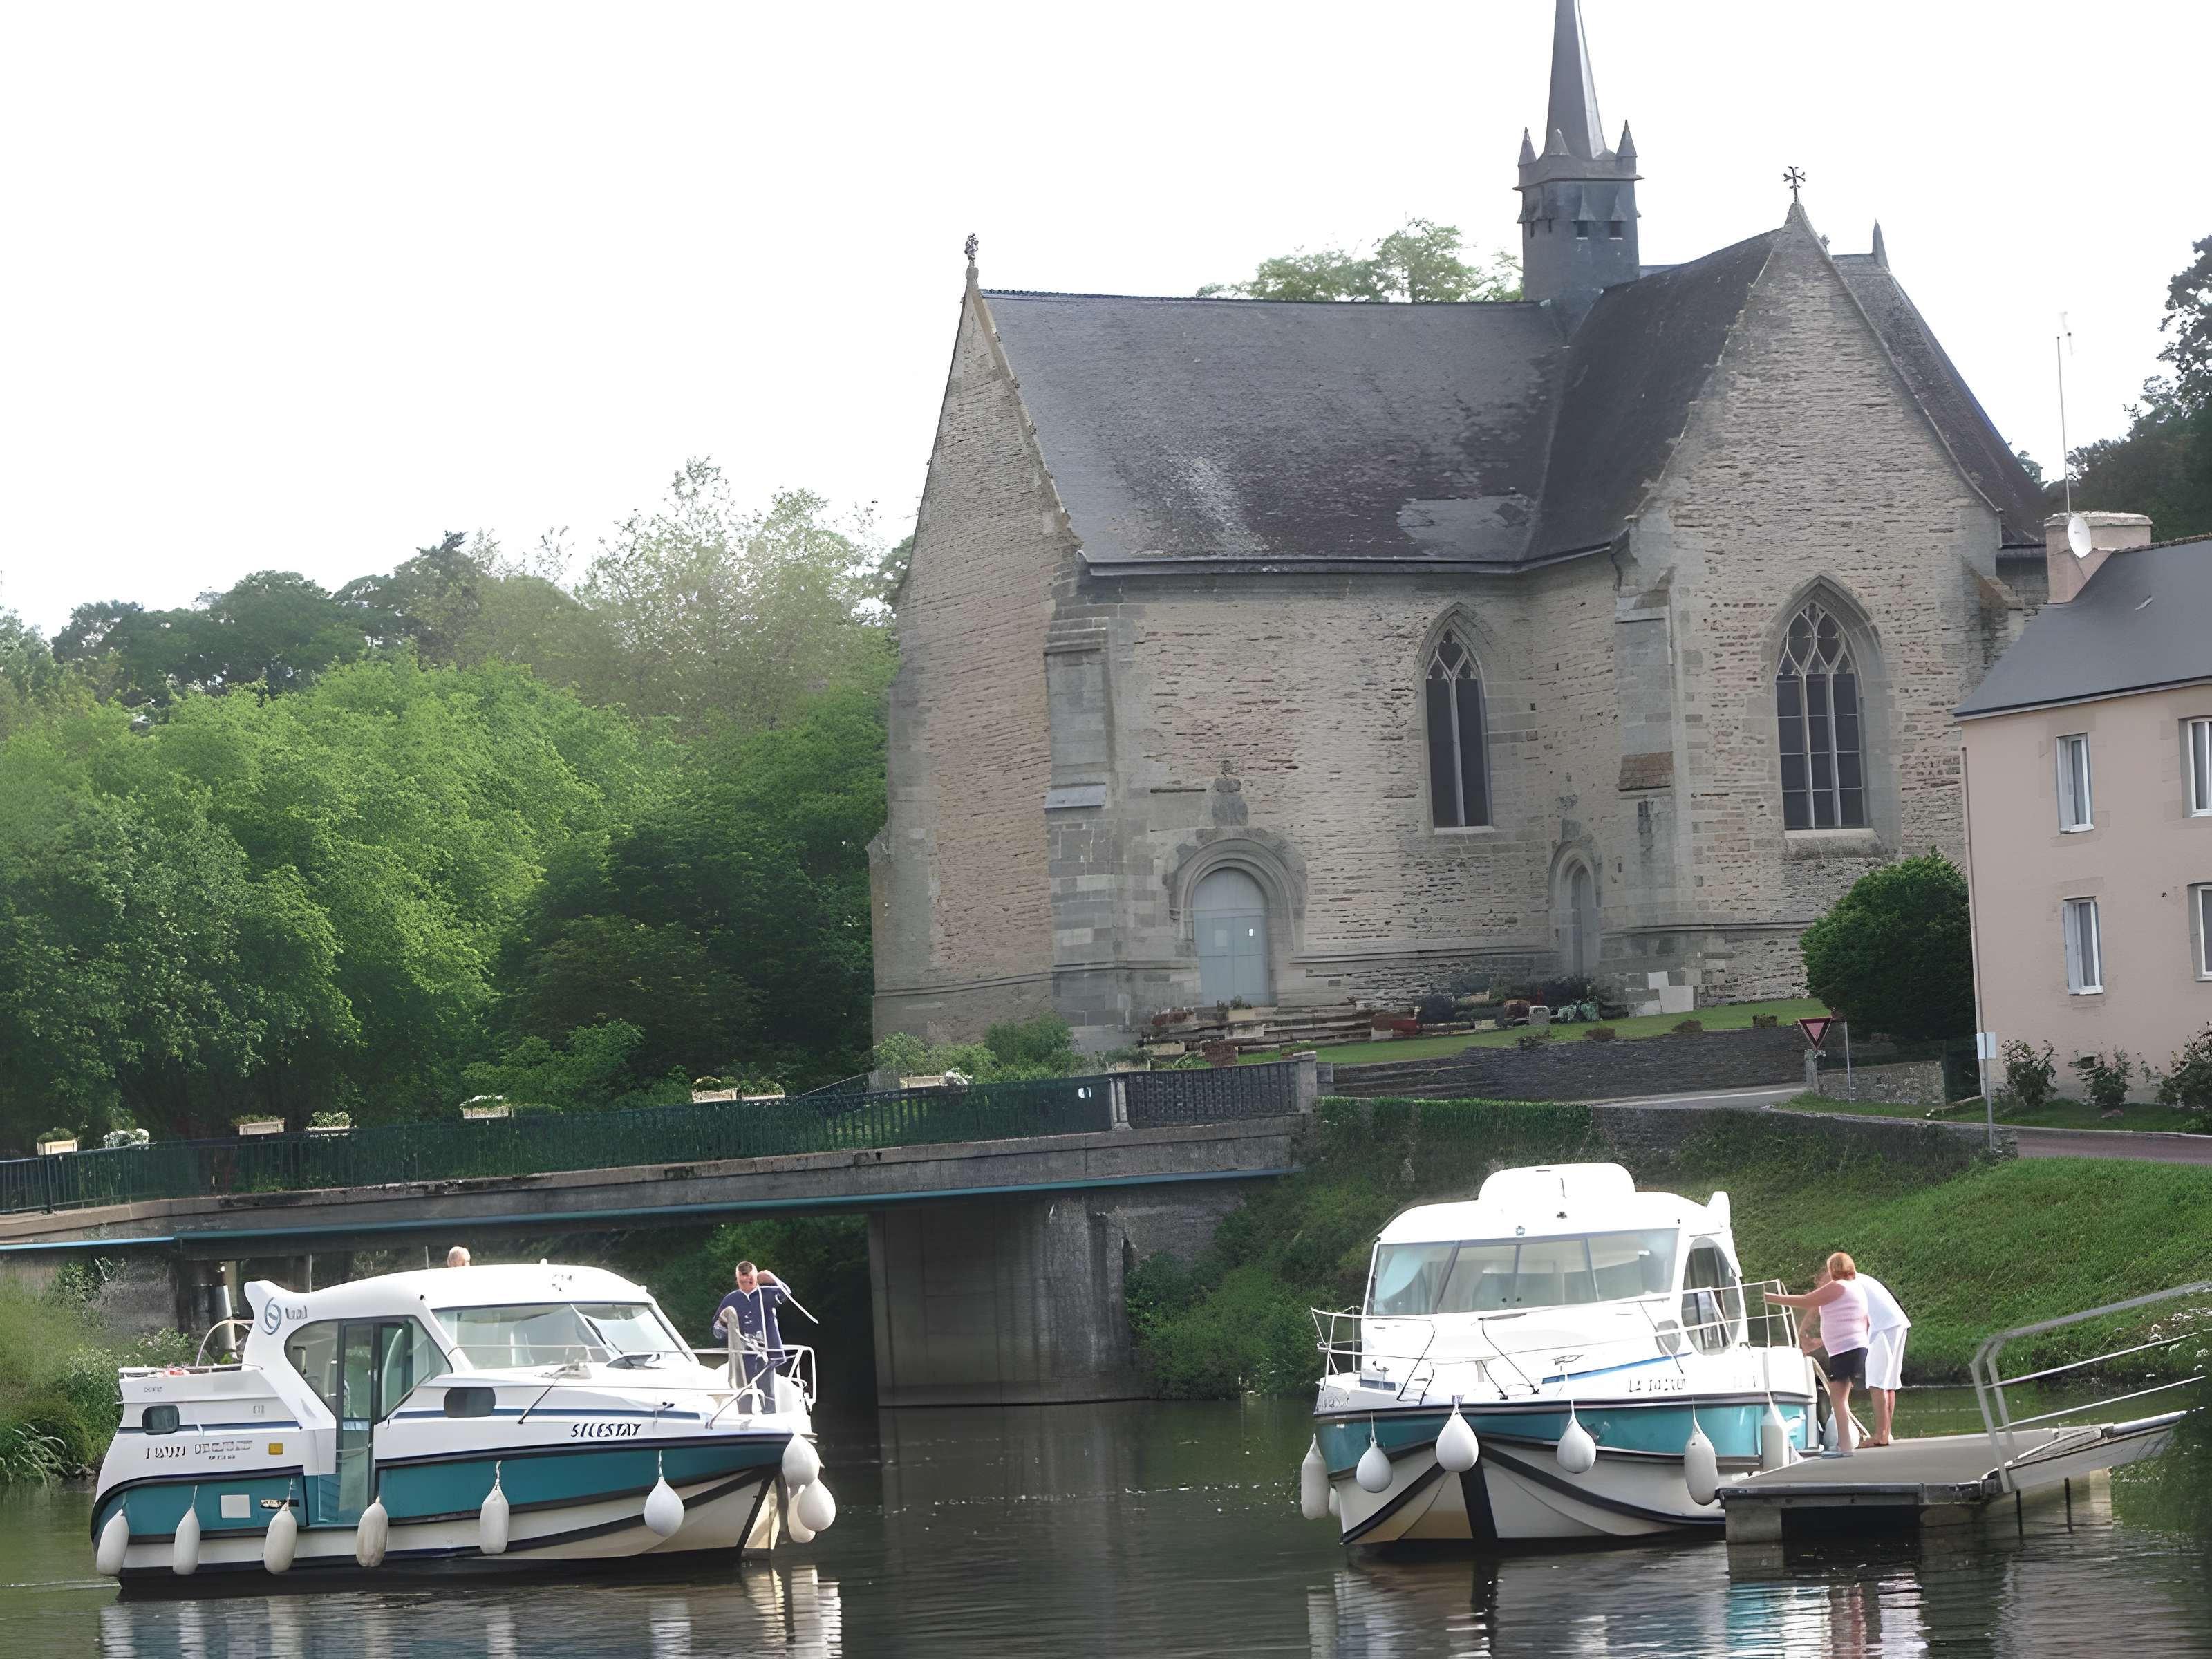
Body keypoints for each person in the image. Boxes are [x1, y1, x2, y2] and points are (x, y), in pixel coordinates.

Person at [1769, 1252, 1871, 1456]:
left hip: (1845, 1351)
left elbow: (1806, 1301)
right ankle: (1845, 1446)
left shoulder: (1838, 1286)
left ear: (1835, 1268)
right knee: (1841, 1399)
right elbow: (1865, 1321)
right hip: (1854, 1349)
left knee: (1838, 1399)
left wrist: (1770, 1298)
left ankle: (1845, 1448)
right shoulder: (1855, 1288)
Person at [714, 1261, 794, 1391]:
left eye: (750, 1279)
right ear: (738, 1279)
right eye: (743, 1280)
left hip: (766, 1356)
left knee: (768, 1395)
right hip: (742, 1357)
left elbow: (787, 1293)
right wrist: (722, 1324)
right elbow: (717, 1332)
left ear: (756, 1278)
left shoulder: (767, 1294)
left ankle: (768, 1405)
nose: (747, 1281)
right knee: (744, 1395)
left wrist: (771, 1278)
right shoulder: (730, 1300)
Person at [1856, 1266, 1912, 1447]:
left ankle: (1881, 1436)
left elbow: (1856, 1322)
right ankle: (1886, 1433)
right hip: (1897, 1324)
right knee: (1888, 1384)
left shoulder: (1846, 1284)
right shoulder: (1860, 1279)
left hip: (1883, 1328)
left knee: (1877, 1383)